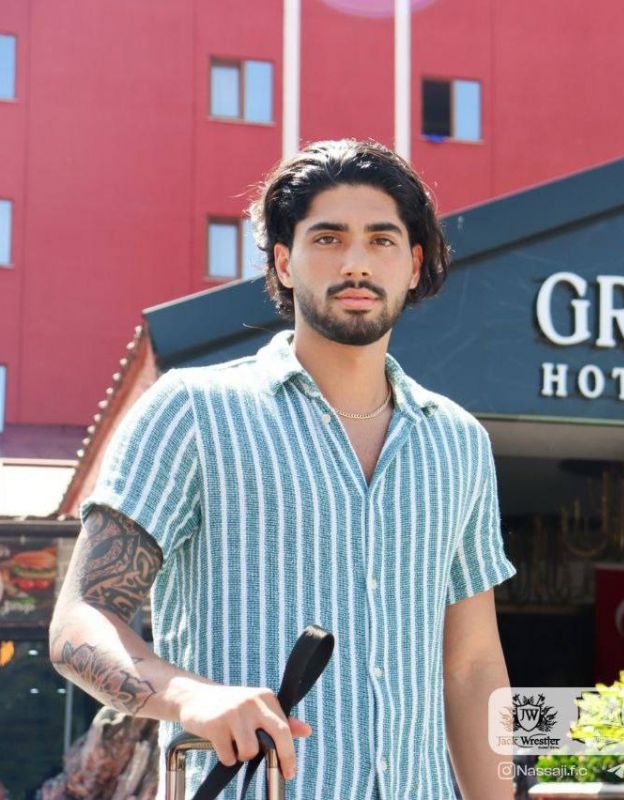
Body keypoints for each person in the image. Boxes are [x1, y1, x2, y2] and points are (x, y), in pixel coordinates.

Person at [49, 139, 518, 800]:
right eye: (327, 238)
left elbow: (471, 670)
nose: (356, 262)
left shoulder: (458, 442)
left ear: (414, 265)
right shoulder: (193, 412)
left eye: (381, 240)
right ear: (283, 262)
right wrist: (192, 697)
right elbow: (79, 622)